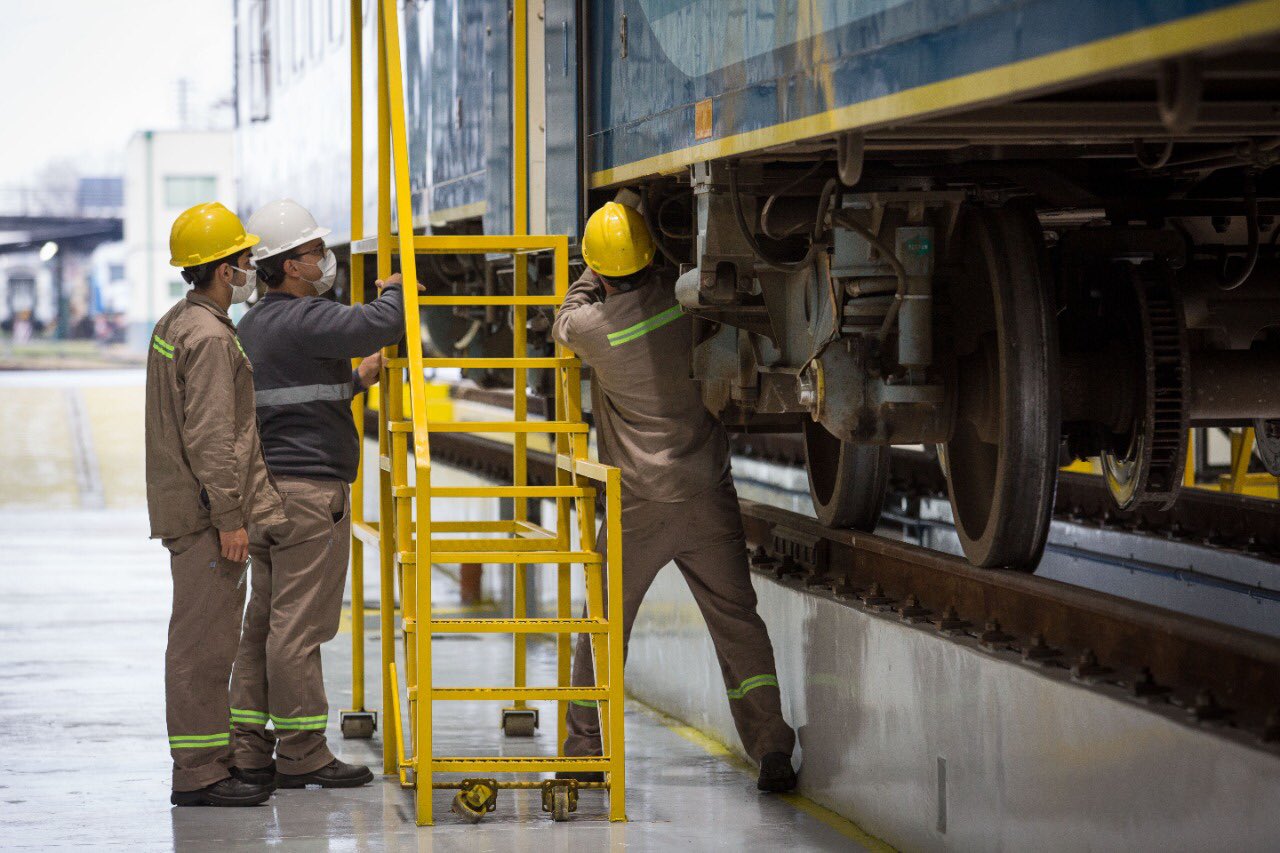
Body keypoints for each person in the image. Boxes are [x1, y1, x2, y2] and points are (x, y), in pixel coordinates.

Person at [552, 201, 798, 792]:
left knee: (604, 626)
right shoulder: (688, 304)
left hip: (639, 504)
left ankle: (585, 749)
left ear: (602, 272)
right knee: (737, 623)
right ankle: (771, 748)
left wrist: (593, 273)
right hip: (708, 497)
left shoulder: (593, 328)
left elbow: (564, 316)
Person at [228, 199, 410, 789]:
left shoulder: (255, 325)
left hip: (267, 495)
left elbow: (291, 400)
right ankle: (304, 752)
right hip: (310, 497)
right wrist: (395, 286)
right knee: (299, 630)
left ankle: (250, 747)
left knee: (265, 624)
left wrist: (356, 381)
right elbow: (380, 322)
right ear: (288, 266)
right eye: (313, 252)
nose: (323, 260)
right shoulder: (303, 319)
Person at [145, 202, 285, 807]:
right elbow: (211, 437)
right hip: (206, 518)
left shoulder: (179, 322)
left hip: (192, 509)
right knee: (204, 646)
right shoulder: (206, 336)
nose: (253, 265)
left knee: (207, 641)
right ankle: (201, 772)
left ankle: (214, 760)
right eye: (245, 257)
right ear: (224, 270)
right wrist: (230, 519)